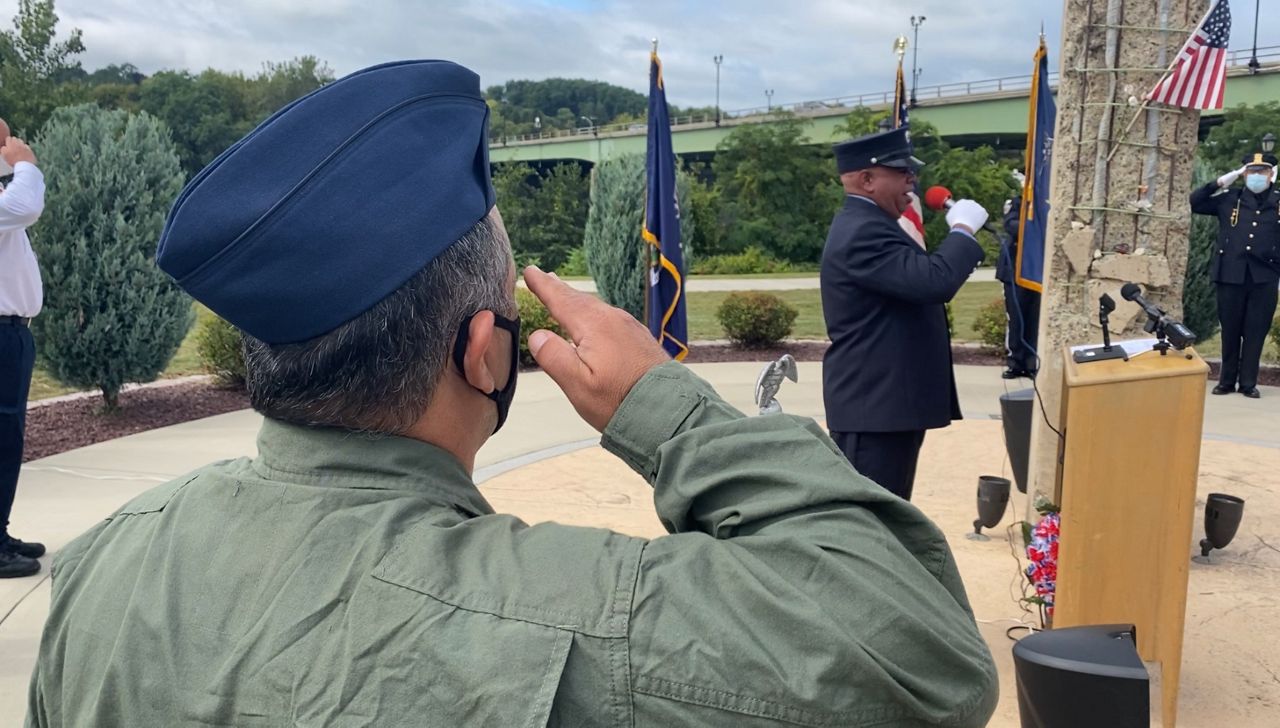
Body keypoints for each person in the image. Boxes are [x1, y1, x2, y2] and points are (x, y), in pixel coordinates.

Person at [27, 60, 998, 727]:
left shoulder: (114, 556)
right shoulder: (566, 601)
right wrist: (664, 404)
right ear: (485, 352)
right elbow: (919, 654)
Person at [821, 127, 986, 501]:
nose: (913, 181)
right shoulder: (863, 231)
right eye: (902, 173)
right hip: (875, 409)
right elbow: (933, 282)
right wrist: (962, 231)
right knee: (871, 527)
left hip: (886, 407)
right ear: (867, 180)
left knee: (885, 523)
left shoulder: (871, 225)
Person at [1191, 152, 1280, 399]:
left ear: (1271, 174)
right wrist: (1221, 181)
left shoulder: (1278, 202)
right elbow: (1195, 202)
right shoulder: (1230, 199)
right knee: (1230, 329)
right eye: (1251, 172)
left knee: (1255, 331)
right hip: (1231, 274)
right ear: (1244, 174)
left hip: (1264, 277)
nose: (1257, 176)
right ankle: (1227, 380)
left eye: (1262, 172)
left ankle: (1248, 382)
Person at [0, 120, 47, 580]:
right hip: (1, 336)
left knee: (6, 438)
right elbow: (26, 202)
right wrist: (26, 163)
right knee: (1, 439)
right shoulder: (8, 203)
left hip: (10, 333)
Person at [996, 194, 1040, 379]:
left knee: (1034, 317)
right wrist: (1034, 227)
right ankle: (1015, 362)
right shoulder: (1020, 201)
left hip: (1036, 269)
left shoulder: (1045, 203)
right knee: (1016, 318)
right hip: (1015, 270)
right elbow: (1011, 224)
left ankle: (1030, 363)